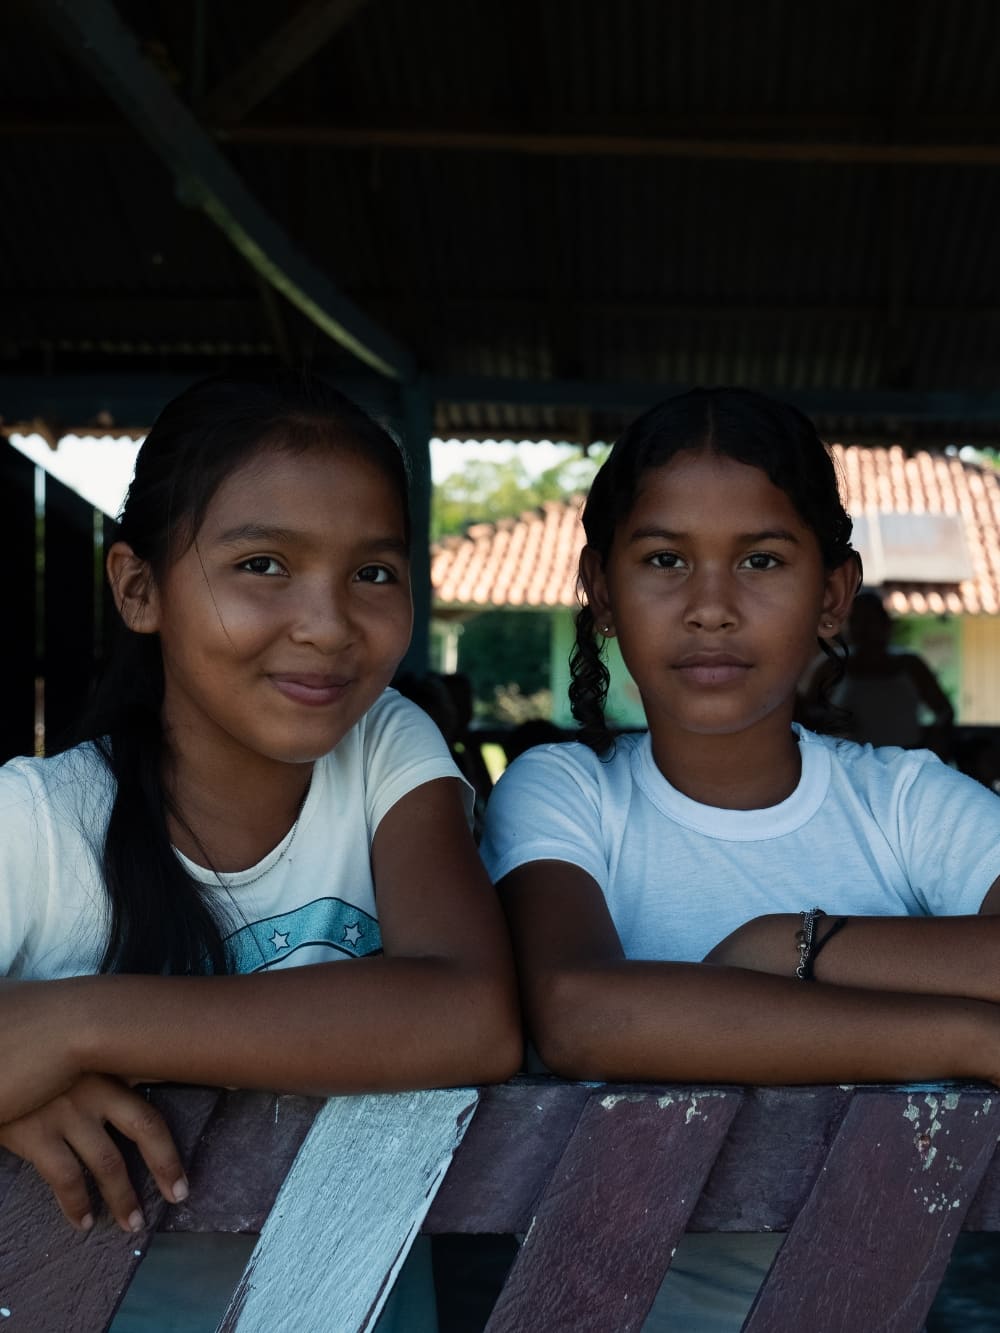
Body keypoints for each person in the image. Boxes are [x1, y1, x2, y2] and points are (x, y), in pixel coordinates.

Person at [479, 387, 1000, 1331]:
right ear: (600, 589)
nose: (711, 607)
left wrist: (800, 944)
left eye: (761, 559)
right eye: (665, 560)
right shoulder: (565, 794)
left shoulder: (904, 803)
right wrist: (969, 1038)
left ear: (833, 595)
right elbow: (585, 1012)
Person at [0, 371, 520, 1262]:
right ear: (138, 588)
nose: (326, 623)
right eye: (262, 565)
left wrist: (71, 1027)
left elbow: (471, 1012)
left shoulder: (385, 748)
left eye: (372, 573)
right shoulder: (38, 823)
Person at [803, 589, 954, 753]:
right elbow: (805, 712)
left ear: (885, 623)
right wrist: (832, 723)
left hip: (903, 761)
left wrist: (934, 741)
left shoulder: (910, 665)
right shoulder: (831, 664)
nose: (863, 628)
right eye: (856, 620)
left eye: (869, 620)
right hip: (846, 763)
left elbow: (944, 711)